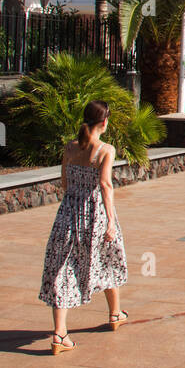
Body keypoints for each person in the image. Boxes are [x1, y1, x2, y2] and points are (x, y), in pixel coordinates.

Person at [38, 100, 129, 354]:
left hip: (67, 214)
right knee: (107, 258)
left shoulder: (69, 148)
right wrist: (110, 221)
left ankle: (60, 333)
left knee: (63, 269)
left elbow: (64, 181)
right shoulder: (105, 150)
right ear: (104, 122)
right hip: (95, 215)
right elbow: (105, 186)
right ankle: (114, 314)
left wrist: (73, 202)